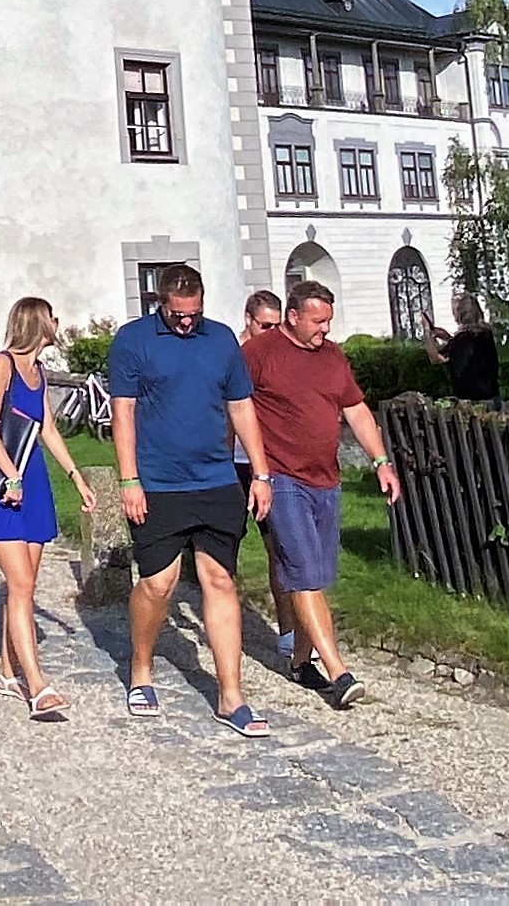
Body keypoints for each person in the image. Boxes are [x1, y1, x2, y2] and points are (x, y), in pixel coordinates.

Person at [106, 265, 276, 735]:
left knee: (219, 580)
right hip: (159, 482)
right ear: (161, 303)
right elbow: (124, 412)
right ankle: (141, 667)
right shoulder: (133, 340)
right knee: (158, 584)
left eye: (194, 313)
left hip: (216, 479)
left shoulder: (220, 340)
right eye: (178, 314)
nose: (186, 322)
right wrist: (129, 480)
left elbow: (241, 406)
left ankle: (231, 696)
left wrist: (260, 473)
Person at [246, 280, 401, 710]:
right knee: (302, 573)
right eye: (318, 322)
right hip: (281, 478)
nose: (325, 330)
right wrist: (245, 470)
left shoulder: (332, 356)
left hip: (326, 481)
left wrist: (381, 462)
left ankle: (300, 662)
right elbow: (233, 406)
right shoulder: (259, 354)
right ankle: (338, 671)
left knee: (315, 576)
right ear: (293, 316)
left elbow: (356, 410)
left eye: (328, 321)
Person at [0, 297, 99, 720]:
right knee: (21, 583)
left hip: (34, 482)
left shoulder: (38, 371)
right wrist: (11, 476)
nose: (58, 324)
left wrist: (76, 477)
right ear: (40, 323)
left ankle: (8, 671)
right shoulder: (3, 364)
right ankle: (37, 685)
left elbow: (48, 429)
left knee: (24, 586)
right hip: (2, 483)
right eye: (52, 318)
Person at [239, 291, 292, 661]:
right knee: (222, 547)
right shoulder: (232, 353)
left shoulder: (281, 355)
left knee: (279, 547)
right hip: (232, 461)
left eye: (277, 326)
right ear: (249, 320)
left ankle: (287, 631)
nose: (271, 333)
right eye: (265, 326)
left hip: (269, 462)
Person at [425, 291, 503, 407]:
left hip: (472, 401)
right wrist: (448, 338)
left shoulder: (462, 340)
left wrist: (427, 333)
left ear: (460, 315)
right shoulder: (486, 334)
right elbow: (470, 352)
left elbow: (436, 359)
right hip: (492, 397)